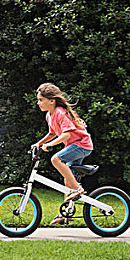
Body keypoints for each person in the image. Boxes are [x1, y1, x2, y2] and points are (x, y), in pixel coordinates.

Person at [32, 83, 93, 225]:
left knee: (56, 159)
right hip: (75, 146)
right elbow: (52, 133)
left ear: (51, 101)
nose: (38, 103)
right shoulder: (50, 115)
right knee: (68, 181)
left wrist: (50, 145)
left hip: (81, 145)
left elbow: (67, 134)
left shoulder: (59, 112)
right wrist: (39, 143)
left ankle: (78, 189)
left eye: (41, 100)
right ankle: (66, 214)